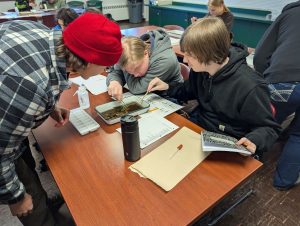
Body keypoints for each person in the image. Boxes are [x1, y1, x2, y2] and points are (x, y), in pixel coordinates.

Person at [0, 13, 122, 226]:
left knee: (27, 169)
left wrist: (49, 106)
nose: (105, 71)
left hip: (9, 108)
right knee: (30, 205)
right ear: (89, 60)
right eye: (105, 66)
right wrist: (16, 197)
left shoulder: (38, 32)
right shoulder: (31, 88)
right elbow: (2, 152)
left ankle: (40, 199)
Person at [147, 17, 281, 156]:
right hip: (199, 130)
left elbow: (269, 128)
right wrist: (167, 87)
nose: (185, 60)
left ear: (209, 54)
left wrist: (254, 140)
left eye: (190, 55)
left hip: (230, 142)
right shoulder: (200, 70)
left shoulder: (250, 86)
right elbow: (188, 91)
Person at [253, 1, 300, 190]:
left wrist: (270, 77)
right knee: (299, 135)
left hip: (284, 81)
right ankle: (284, 181)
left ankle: (245, 166)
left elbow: (259, 56)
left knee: (267, 124)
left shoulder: (290, 13)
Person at [107, 29, 183, 100]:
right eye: (129, 71)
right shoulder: (136, 53)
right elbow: (114, 71)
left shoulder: (165, 60)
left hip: (170, 98)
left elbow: (136, 88)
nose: (135, 75)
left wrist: (124, 70)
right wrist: (114, 81)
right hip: (148, 96)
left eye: (137, 68)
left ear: (145, 53)